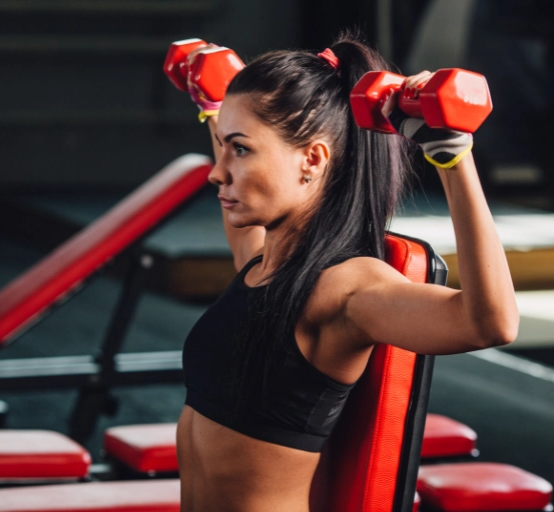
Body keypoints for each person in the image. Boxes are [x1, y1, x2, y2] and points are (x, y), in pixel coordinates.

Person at [177, 30, 518, 512]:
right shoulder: (264, 262)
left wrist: (452, 156)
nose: (218, 171)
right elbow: (245, 227)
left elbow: (491, 323)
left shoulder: (346, 287)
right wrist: (216, 107)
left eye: (241, 149)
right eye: (222, 146)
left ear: (312, 160)